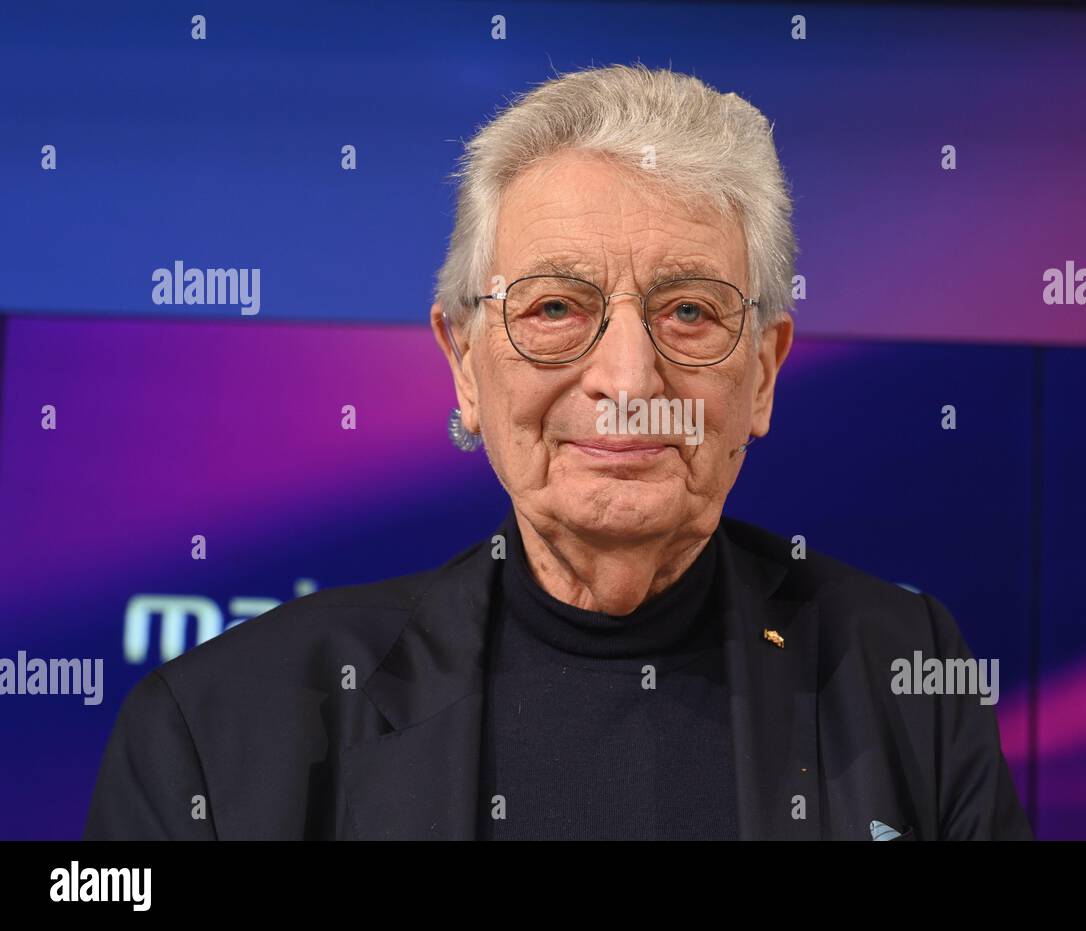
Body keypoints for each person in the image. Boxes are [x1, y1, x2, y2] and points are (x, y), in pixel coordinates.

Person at [84, 64, 1032, 840]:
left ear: (766, 372)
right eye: (554, 308)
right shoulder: (217, 726)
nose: (627, 380)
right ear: (464, 360)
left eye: (690, 312)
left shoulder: (907, 674)